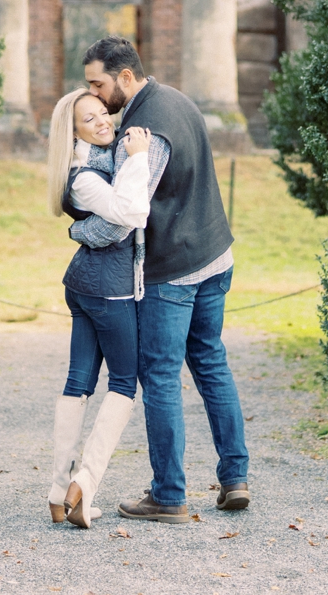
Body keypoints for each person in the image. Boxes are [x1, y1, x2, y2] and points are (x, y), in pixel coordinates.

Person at [73, 36, 250, 524]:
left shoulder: (147, 127)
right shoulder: (178, 99)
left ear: (125, 77)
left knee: (159, 375)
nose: (94, 93)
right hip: (217, 255)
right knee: (211, 362)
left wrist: (78, 228)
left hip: (175, 271)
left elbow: (127, 214)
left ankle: (169, 494)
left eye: (98, 83)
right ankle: (236, 479)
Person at [44, 88, 153, 529]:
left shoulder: (96, 162)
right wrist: (140, 156)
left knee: (78, 382)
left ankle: (57, 491)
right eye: (89, 120)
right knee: (125, 383)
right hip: (109, 288)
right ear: (72, 134)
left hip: (85, 284)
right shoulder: (83, 175)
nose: (103, 120)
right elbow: (131, 211)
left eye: (103, 112)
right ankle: (84, 486)